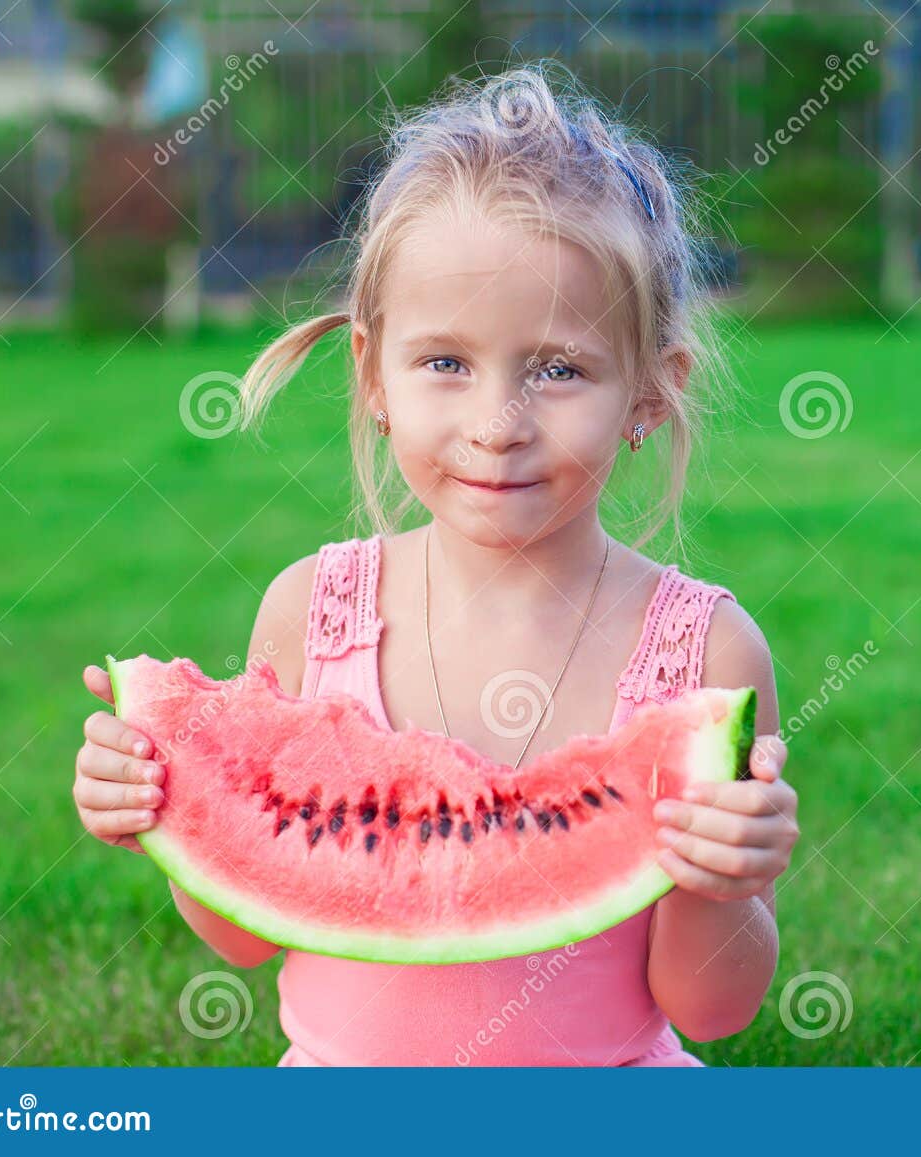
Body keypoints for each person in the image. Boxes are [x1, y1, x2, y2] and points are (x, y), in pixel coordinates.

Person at [72, 63, 798, 1066]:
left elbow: (709, 1006)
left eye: (559, 369)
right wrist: (174, 808)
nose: (496, 427)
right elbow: (246, 931)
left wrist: (721, 881)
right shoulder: (310, 610)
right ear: (373, 376)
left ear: (649, 393)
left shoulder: (706, 650)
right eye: (445, 363)